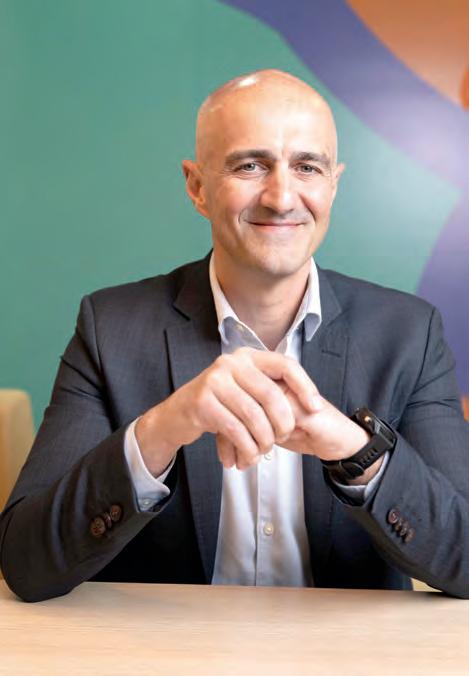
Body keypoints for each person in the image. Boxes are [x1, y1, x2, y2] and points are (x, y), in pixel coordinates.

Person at [1, 70, 469, 602]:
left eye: (307, 167)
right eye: (251, 165)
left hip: (343, 646)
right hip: (167, 644)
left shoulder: (409, 335)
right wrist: (161, 429)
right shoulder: (109, 330)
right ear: (197, 187)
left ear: (333, 185)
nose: (282, 197)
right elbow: (26, 564)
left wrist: (357, 453)